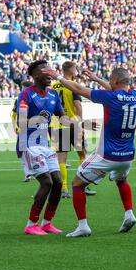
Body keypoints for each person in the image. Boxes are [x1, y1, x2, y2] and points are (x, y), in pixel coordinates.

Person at [42, 67, 136, 237]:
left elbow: (79, 89)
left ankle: (83, 226)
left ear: (115, 81)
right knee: (121, 179)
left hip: (107, 155)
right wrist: (97, 79)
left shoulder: (109, 98)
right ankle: (129, 213)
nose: (108, 83)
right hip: (128, 155)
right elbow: (116, 89)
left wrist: (57, 76)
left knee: (77, 183)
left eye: (110, 80)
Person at [16, 60, 65, 236]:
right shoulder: (26, 95)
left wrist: (81, 125)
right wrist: (38, 119)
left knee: (58, 183)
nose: (50, 73)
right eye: (46, 71)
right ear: (36, 75)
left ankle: (47, 223)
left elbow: (62, 116)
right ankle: (31, 224)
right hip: (28, 145)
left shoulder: (53, 95)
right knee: (47, 182)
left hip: (44, 145)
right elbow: (20, 122)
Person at [50, 62, 97, 198]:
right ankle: (82, 185)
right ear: (71, 70)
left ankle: (63, 188)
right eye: (76, 68)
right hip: (73, 124)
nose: (77, 71)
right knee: (82, 155)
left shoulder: (53, 87)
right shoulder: (72, 86)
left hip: (57, 125)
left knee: (62, 158)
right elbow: (78, 106)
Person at [11, 80, 33, 183]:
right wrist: (15, 125)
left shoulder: (34, 98)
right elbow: (14, 115)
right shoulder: (19, 99)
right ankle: (27, 173)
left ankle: (35, 171)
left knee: (35, 151)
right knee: (22, 152)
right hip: (24, 129)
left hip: (33, 130)